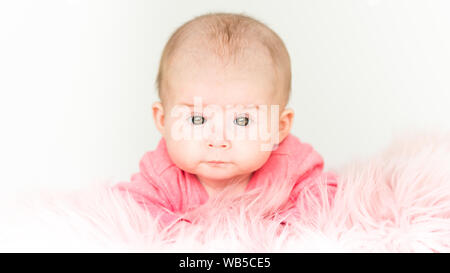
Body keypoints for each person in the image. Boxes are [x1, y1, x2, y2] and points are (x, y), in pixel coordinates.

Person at [114, 12, 338, 229]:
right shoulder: (163, 173)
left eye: (242, 121)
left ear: (279, 128)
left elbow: (325, 196)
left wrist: (284, 229)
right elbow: (131, 209)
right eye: (197, 119)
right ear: (163, 120)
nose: (218, 140)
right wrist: (181, 233)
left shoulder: (290, 163)